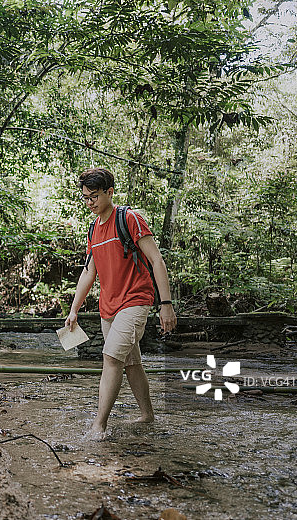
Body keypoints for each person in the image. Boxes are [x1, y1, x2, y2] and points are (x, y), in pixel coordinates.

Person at [65, 168, 177, 439]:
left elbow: (156, 260)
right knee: (131, 363)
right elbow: (89, 272)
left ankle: (99, 426)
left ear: (110, 192)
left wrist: (166, 304)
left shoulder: (129, 219)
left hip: (136, 300)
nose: (90, 202)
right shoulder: (93, 229)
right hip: (109, 308)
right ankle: (147, 416)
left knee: (111, 357)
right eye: (85, 197)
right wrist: (74, 309)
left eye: (94, 196)